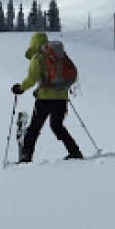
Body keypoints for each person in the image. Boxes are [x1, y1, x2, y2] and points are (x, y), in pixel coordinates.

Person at [11, 31, 84, 163]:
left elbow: (32, 79)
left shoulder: (38, 58)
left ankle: (26, 157)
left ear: (34, 43)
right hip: (61, 98)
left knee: (34, 128)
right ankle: (75, 151)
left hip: (44, 99)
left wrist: (20, 88)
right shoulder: (59, 56)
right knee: (57, 126)